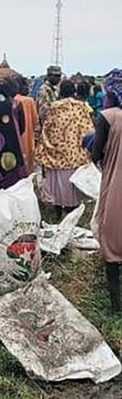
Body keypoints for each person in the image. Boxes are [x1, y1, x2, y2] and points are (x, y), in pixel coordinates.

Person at [36, 80, 94, 217]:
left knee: (57, 183)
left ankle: (57, 210)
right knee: (71, 184)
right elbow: (89, 130)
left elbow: (47, 128)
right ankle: (72, 210)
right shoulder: (81, 107)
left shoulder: (54, 108)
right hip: (74, 154)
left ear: (60, 92)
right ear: (74, 91)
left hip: (56, 153)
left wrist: (45, 144)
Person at [92, 70, 122, 313]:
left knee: (112, 238)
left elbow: (95, 153)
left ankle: (115, 306)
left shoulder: (108, 117)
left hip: (116, 184)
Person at [14, 76, 39, 175]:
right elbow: (35, 120)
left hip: (16, 135)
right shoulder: (29, 101)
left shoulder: (13, 99)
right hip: (28, 135)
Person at [37, 65, 62, 132]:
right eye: (55, 76)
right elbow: (43, 113)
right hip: (46, 128)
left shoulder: (53, 90)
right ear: (48, 76)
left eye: (59, 76)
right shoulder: (44, 90)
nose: (58, 78)